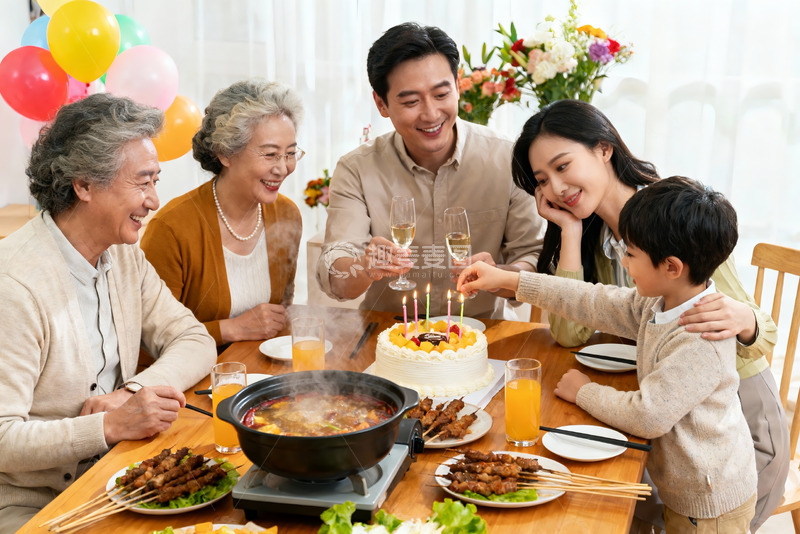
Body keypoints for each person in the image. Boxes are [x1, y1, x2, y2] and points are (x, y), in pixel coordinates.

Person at [509, 99, 788, 533]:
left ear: (604, 149)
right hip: (672, 428)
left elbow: (761, 337)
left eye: (564, 166)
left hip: (733, 433)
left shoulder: (673, 222)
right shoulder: (597, 236)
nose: (556, 188)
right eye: (542, 180)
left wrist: (746, 320)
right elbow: (571, 332)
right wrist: (569, 232)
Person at [459, 176, 758, 533]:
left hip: (710, 504)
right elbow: (592, 301)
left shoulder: (700, 337)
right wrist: (511, 281)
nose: (624, 263)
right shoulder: (658, 302)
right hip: (686, 487)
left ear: (672, 267)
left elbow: (648, 415)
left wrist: (583, 391)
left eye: (630, 254)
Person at [0, 93, 217, 532]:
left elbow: (195, 340)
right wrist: (108, 425)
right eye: (142, 183)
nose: (154, 201)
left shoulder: (122, 256)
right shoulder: (15, 286)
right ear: (84, 185)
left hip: (117, 478)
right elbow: (3, 439)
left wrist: (133, 391)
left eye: (155, 181)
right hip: (37, 506)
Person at [316, 22, 544, 319]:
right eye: (411, 101)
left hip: (482, 334)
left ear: (458, 85)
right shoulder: (357, 168)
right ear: (381, 103)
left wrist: (500, 275)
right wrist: (365, 266)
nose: (431, 114)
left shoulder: (505, 158)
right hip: (390, 335)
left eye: (441, 94)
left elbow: (534, 257)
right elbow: (335, 274)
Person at [141, 79, 303, 348]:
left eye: (290, 153)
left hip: (260, 372)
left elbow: (280, 314)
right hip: (195, 379)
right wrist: (230, 329)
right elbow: (148, 339)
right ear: (225, 153)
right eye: (270, 154)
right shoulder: (171, 228)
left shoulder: (287, 215)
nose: (283, 168)